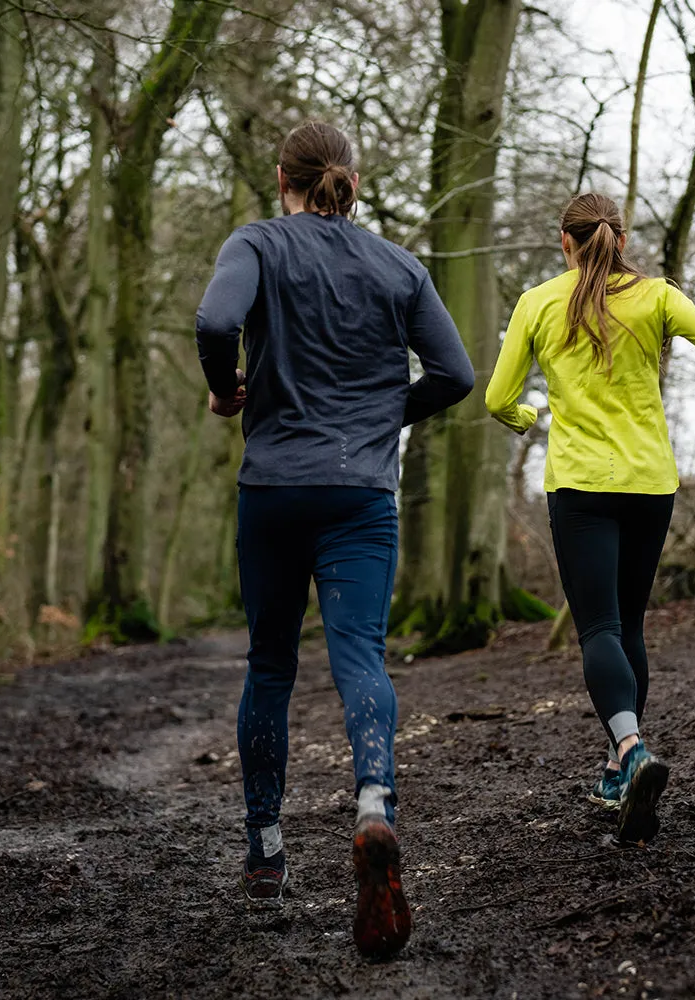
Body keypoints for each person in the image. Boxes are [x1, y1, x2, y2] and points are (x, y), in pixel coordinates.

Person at [195, 121, 474, 958]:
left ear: (281, 175)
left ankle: (266, 855)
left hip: (274, 486)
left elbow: (215, 321)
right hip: (361, 493)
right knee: (360, 654)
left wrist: (226, 392)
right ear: (352, 181)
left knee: (271, 663)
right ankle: (373, 806)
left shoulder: (257, 243)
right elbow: (457, 374)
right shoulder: (399, 265)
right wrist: (384, 416)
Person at [485, 193, 695, 845]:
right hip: (649, 482)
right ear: (621, 240)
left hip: (581, 484)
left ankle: (633, 750)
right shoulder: (657, 296)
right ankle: (617, 769)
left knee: (600, 627)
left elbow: (499, 396)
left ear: (565, 242)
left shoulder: (537, 303)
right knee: (629, 623)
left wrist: (526, 420)